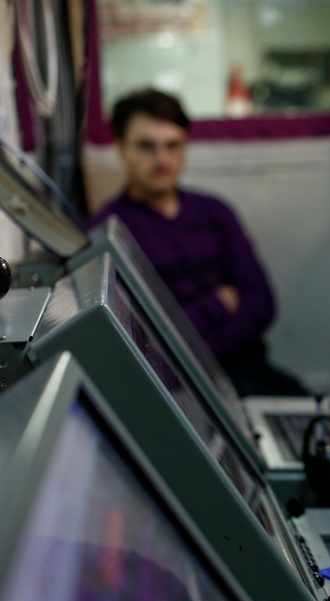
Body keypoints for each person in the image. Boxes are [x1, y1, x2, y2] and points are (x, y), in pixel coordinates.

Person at [86, 88, 306, 397]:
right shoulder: (108, 231)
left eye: (173, 145)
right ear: (122, 149)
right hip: (170, 386)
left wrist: (187, 343)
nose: (162, 159)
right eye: (147, 146)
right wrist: (218, 304)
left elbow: (261, 304)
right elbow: (139, 337)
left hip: (245, 370)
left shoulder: (215, 212)